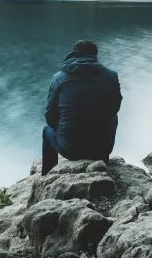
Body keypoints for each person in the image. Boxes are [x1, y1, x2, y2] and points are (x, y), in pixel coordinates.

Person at [42, 39, 122, 175]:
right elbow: (115, 108)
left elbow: (50, 116)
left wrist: (63, 131)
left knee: (47, 130)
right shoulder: (111, 76)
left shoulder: (59, 78)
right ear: (95, 56)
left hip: (70, 149)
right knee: (113, 117)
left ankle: (48, 175)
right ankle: (103, 163)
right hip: (101, 149)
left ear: (73, 54)